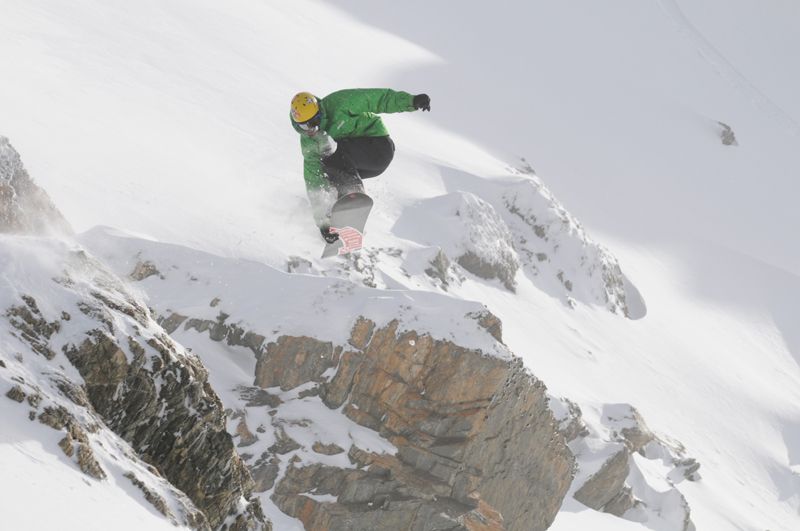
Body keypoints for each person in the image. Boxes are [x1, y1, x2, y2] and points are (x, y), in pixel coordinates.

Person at [290, 89, 431, 243]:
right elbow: (314, 182)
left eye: (315, 121)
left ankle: (352, 193)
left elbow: (377, 99)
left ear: (319, 112)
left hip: (377, 147)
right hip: (359, 164)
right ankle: (338, 215)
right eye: (305, 126)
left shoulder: (339, 103)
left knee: (329, 150)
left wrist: (411, 101)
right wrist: (323, 223)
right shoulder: (309, 143)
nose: (312, 129)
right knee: (326, 175)